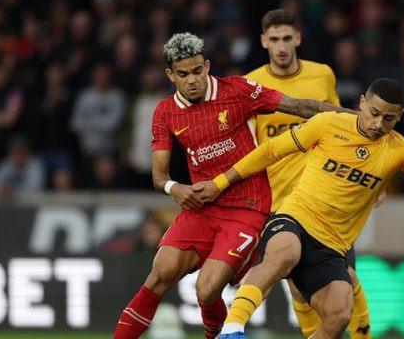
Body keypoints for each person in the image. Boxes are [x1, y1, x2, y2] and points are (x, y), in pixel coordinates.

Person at [195, 78, 404, 339]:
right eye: (373, 113)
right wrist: (221, 183)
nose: (377, 124)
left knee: (339, 313)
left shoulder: (399, 150)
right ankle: (233, 326)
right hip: (294, 219)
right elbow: (270, 152)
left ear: (399, 117)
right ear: (360, 103)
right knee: (282, 255)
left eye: (388, 119)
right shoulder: (328, 124)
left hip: (332, 246)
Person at [113, 32, 352, 339]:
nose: (192, 80)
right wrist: (177, 188)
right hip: (201, 207)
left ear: (207, 65)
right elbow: (159, 177)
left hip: (246, 206)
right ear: (170, 75)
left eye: (198, 71)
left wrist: (357, 119)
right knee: (159, 275)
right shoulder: (165, 112)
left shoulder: (237, 91)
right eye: (183, 74)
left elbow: (300, 107)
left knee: (207, 289)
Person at [244, 8, 372, 338]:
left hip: (328, 197)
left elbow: (344, 128)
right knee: (300, 291)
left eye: (287, 38)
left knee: (348, 278)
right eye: (274, 39)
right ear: (264, 42)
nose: (282, 46)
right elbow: (249, 145)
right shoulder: (251, 85)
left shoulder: (322, 76)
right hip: (281, 202)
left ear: (298, 38)